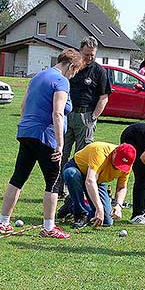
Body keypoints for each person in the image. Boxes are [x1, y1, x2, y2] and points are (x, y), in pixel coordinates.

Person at [0, 48, 83, 239]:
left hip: (26, 132)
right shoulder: (61, 81)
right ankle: (49, 227)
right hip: (46, 136)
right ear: (71, 65)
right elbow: (58, 113)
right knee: (52, 182)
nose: (73, 75)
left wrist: (28, 125)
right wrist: (60, 145)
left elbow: (24, 105)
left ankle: (3, 222)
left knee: (18, 178)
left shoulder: (37, 77)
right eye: (75, 71)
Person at [58, 36, 112, 199]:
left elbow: (104, 97)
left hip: (86, 116)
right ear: (80, 51)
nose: (89, 58)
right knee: (61, 152)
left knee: (82, 157)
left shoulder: (99, 71)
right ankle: (58, 188)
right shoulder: (72, 68)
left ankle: (77, 191)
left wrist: (93, 117)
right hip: (67, 115)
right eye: (86, 54)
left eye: (92, 55)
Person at [63, 142, 136, 228]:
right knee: (71, 174)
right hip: (79, 170)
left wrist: (118, 206)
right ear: (115, 152)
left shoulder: (127, 164)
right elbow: (90, 181)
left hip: (97, 180)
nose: (118, 167)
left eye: (122, 165)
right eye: (118, 161)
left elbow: (122, 187)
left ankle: (71, 205)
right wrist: (99, 208)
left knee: (107, 220)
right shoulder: (100, 152)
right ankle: (80, 214)